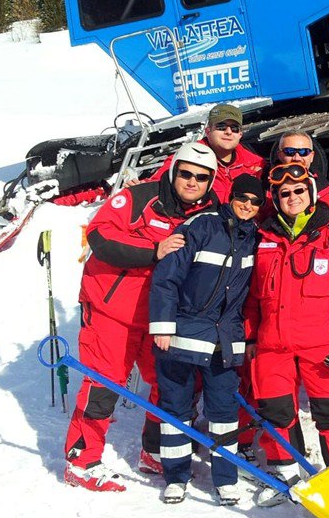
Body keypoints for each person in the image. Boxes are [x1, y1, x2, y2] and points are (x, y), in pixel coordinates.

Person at [64, 142, 218, 492]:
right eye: (186, 173)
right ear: (174, 169)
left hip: (161, 317)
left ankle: (155, 451)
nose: (192, 182)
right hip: (112, 308)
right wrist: (153, 251)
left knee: (171, 386)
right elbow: (100, 235)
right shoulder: (139, 198)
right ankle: (81, 461)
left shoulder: (210, 211)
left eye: (202, 177)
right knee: (104, 385)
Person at [244, 163, 329, 506]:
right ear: (275, 197)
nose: (292, 197)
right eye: (284, 193)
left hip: (324, 344)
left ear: (312, 193)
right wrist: (250, 337)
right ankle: (282, 469)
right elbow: (252, 295)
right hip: (273, 345)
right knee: (275, 412)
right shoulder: (263, 239)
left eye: (299, 191)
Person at [149, 175, 262, 505]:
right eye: (243, 198)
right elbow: (167, 277)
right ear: (231, 197)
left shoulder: (255, 237)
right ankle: (176, 475)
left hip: (224, 340)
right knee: (176, 409)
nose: (248, 206)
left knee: (224, 411)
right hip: (182, 334)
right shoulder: (202, 225)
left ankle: (224, 478)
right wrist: (162, 326)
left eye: (255, 202)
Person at [152, 104, 266, 202]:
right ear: (208, 131)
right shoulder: (188, 156)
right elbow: (154, 186)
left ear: (240, 134)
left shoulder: (256, 164)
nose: (228, 132)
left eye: (234, 128)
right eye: (221, 127)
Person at [264, 131, 329, 217]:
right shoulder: (265, 188)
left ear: (312, 156)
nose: (297, 158)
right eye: (290, 152)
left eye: (304, 152)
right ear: (280, 155)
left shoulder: (324, 190)